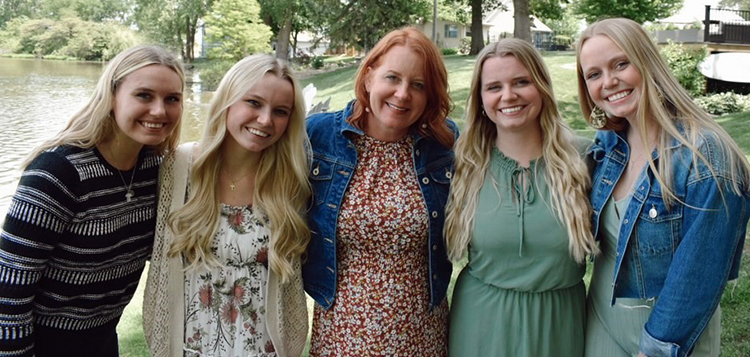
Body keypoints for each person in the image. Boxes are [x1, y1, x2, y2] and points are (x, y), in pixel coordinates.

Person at [577, 18, 750, 357]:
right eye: (594, 74)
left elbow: (699, 275)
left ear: (647, 62)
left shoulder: (706, 156)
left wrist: (656, 349)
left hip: (671, 340)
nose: (609, 82)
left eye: (620, 64)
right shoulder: (610, 144)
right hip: (600, 320)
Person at [0, 45, 184, 356]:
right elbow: (9, 287)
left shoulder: (156, 170)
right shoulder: (58, 172)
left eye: (172, 99)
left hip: (103, 338)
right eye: (143, 95)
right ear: (112, 97)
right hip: (43, 343)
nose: (159, 111)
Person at [143, 54, 310, 357]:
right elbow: (160, 271)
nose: (265, 120)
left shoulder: (288, 180)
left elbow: (291, 289)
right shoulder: (178, 167)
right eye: (254, 103)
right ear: (227, 101)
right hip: (191, 346)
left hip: (261, 347)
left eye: (280, 111)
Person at [302, 27, 457, 356]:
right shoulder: (319, 136)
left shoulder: (443, 145)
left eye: (418, 85)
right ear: (369, 76)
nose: (402, 94)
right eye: (392, 78)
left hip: (422, 331)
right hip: (342, 331)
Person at [445, 38, 598, 356]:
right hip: (481, 325)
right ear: (481, 98)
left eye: (521, 82)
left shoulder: (585, 159)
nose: (508, 95)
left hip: (559, 325)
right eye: (494, 87)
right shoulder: (463, 164)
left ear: (541, 87)